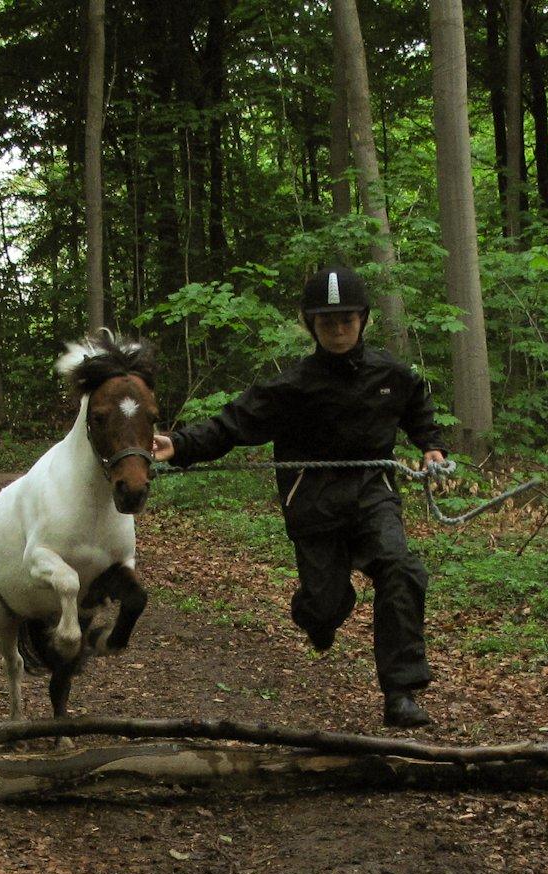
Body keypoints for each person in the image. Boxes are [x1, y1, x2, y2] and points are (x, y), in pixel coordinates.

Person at [152, 265, 447, 728]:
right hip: (314, 502)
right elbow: (233, 423)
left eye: (346, 320)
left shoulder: (392, 375)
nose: (337, 329)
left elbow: (418, 408)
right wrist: (180, 445)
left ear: (363, 319)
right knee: (324, 606)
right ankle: (318, 614)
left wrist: (431, 446)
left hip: (374, 494)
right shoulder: (290, 387)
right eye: (327, 322)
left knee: (401, 568)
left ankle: (400, 692)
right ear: (311, 325)